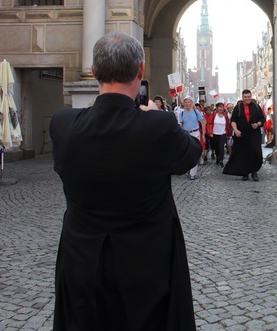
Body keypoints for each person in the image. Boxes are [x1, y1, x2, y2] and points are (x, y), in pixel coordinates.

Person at [49, 31, 201, 330]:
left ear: (94, 72)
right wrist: (155, 115)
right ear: (140, 71)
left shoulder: (62, 124)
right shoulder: (157, 125)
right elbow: (191, 154)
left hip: (82, 261)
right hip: (148, 264)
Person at [223, 90, 265, 181]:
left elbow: (262, 118)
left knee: (255, 151)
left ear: (251, 96)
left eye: (248, 97)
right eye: (245, 97)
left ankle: (254, 171)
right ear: (243, 98)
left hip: (254, 133)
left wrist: (257, 124)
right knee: (243, 153)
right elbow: (233, 120)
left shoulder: (256, 106)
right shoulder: (237, 107)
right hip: (241, 134)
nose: (247, 99)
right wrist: (236, 130)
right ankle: (245, 172)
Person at [178, 96, 205, 179]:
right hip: (186, 134)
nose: (187, 104)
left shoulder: (196, 112)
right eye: (185, 102)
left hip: (195, 133)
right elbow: (180, 125)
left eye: (188, 102)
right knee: (186, 153)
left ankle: (192, 174)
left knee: (194, 153)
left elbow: (203, 122)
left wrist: (203, 134)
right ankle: (187, 169)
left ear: (191, 103)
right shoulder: (181, 113)